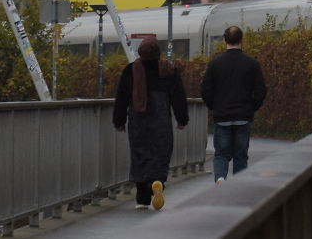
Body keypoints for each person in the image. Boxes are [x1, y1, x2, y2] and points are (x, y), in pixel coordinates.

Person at [113, 38, 188, 210]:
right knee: (161, 153)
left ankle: (142, 198)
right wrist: (182, 119)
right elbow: (178, 97)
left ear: (140, 51)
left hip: (138, 121)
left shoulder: (130, 71)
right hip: (161, 119)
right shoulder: (169, 70)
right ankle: (158, 182)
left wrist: (119, 121)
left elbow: (121, 99)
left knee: (140, 155)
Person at [200, 25, 267, 182]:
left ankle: (221, 177)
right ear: (242, 40)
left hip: (222, 116)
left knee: (221, 153)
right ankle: (238, 185)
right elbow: (261, 91)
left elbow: (205, 90)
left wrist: (214, 106)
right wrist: (251, 107)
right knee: (240, 156)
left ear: (225, 41)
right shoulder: (252, 63)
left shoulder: (215, 64)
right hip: (243, 116)